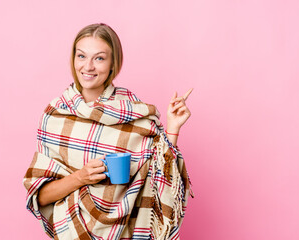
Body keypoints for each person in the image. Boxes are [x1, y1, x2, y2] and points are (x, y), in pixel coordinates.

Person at [23, 23, 193, 240]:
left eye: (99, 58)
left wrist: (173, 127)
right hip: (73, 232)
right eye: (82, 56)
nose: (88, 66)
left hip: (128, 233)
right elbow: (40, 197)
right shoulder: (56, 115)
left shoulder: (134, 112)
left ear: (114, 64)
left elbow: (162, 176)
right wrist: (80, 177)